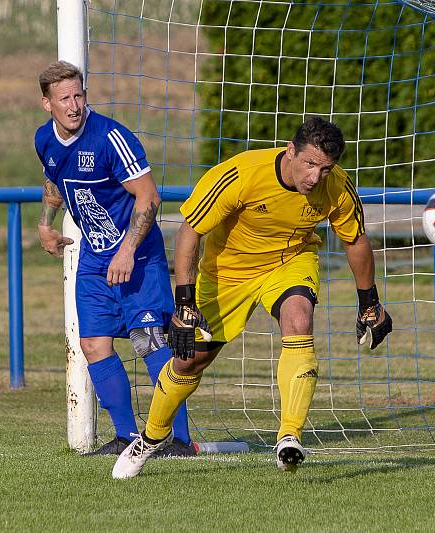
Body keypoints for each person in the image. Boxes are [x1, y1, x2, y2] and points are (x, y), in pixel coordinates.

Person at [112, 116, 392, 478]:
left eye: (325, 169)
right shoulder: (242, 174)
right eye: (309, 164)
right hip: (227, 272)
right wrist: (184, 303)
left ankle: (289, 436)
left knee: (299, 319)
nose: (315, 177)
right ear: (290, 151)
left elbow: (355, 239)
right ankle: (150, 439)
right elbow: (189, 232)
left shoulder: (337, 186)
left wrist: (369, 301)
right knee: (188, 363)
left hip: (290, 261)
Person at [34, 60, 191, 457]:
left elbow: (149, 196)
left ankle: (179, 441)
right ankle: (126, 436)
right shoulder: (44, 139)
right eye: (64, 98)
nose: (73, 105)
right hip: (92, 257)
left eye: (79, 95)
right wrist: (45, 224)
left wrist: (126, 250)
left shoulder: (110, 137)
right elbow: (53, 179)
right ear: (46, 104)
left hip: (137, 256)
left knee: (151, 341)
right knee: (92, 344)